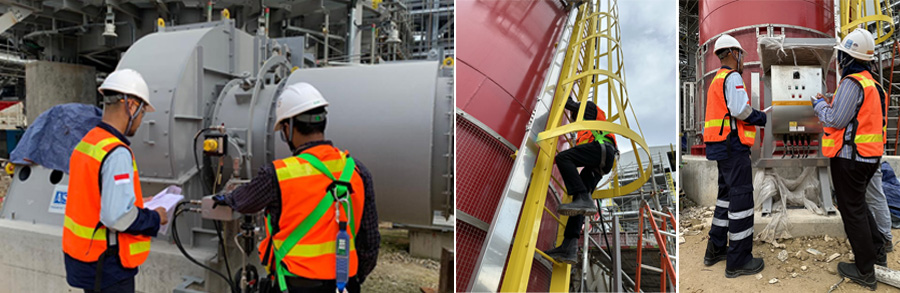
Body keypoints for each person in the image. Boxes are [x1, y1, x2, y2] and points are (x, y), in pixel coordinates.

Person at [214, 82, 379, 293]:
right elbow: (370, 243)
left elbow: (242, 201)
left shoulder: (278, 174)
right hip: (344, 285)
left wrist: (223, 198)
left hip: (294, 286)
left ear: (288, 129)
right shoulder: (357, 171)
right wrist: (352, 279)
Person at [63, 68, 167, 293]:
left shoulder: (88, 142)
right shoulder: (116, 152)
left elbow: (94, 196)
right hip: (108, 266)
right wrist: (154, 217)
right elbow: (116, 217)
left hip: (85, 258)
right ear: (131, 106)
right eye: (141, 113)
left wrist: (138, 202)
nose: (140, 121)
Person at [812, 28, 888, 290]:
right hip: (869, 158)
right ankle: (877, 250)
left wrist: (819, 105)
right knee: (859, 205)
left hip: (850, 158)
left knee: (851, 210)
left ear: (848, 59)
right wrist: (833, 101)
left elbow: (835, 119)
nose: (840, 61)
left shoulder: (852, 82)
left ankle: (865, 270)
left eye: (842, 56)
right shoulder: (873, 84)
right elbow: (859, 115)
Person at [701, 34, 767, 278]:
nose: (742, 60)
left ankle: (715, 249)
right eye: (740, 54)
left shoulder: (716, 80)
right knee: (741, 202)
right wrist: (761, 117)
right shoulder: (733, 77)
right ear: (732, 53)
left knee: (726, 199)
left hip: (720, 148)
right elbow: (741, 110)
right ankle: (738, 261)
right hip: (733, 147)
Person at [545, 97, 617, 264]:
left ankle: (583, 197)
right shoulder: (585, 130)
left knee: (563, 158)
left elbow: (572, 105)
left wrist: (565, 96)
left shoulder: (590, 108)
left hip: (601, 150)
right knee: (580, 206)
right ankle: (568, 247)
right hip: (601, 161)